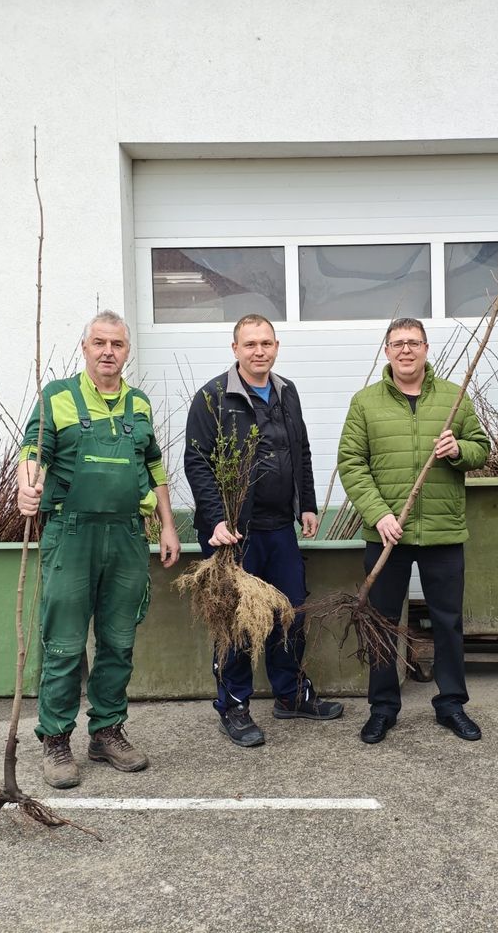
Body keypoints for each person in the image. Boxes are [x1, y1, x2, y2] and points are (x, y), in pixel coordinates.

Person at [17, 310, 181, 789]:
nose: (108, 351)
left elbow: (156, 468)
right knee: (64, 643)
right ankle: (56, 738)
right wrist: (27, 487)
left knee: (119, 640)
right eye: (99, 343)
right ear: (84, 347)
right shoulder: (57, 398)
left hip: (129, 536)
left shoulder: (140, 405)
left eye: (117, 344)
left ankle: (107, 731)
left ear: (127, 351)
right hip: (71, 534)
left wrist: (167, 525)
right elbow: (33, 452)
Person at [184, 314, 342, 748]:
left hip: (279, 528)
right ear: (235, 349)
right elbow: (197, 462)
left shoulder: (287, 391)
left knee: (290, 613)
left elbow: (301, 450)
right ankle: (233, 706)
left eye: (267, 343)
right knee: (236, 620)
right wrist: (217, 519)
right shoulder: (213, 397)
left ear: (276, 346)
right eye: (250, 344)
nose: (259, 351)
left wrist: (306, 504)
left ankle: (290, 695)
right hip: (234, 534)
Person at [337, 318, 490, 744]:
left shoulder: (454, 398)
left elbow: (482, 449)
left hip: (443, 530)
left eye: (414, 343)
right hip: (388, 533)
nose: (406, 350)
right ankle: (383, 708)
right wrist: (379, 513)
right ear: (386, 351)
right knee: (383, 622)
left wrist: (460, 450)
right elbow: (352, 464)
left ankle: (452, 705)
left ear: (426, 348)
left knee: (447, 621)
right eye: (397, 343)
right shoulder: (365, 403)